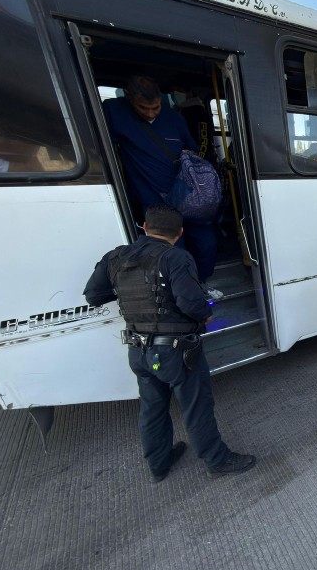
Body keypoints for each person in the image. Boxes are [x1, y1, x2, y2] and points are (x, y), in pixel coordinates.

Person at [83, 204, 255, 482]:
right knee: (196, 405)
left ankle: (159, 464)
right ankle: (217, 460)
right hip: (176, 351)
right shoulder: (175, 257)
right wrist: (206, 315)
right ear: (180, 232)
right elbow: (191, 303)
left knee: (152, 407)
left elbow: (94, 295)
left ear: (145, 228)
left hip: (138, 350)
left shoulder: (115, 257)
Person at [102, 75, 222, 299]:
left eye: (155, 107)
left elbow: (192, 148)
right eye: (143, 108)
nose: (150, 113)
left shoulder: (173, 118)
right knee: (175, 253)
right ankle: (183, 296)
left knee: (207, 245)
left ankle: (200, 283)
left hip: (186, 197)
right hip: (154, 202)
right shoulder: (113, 111)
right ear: (128, 98)